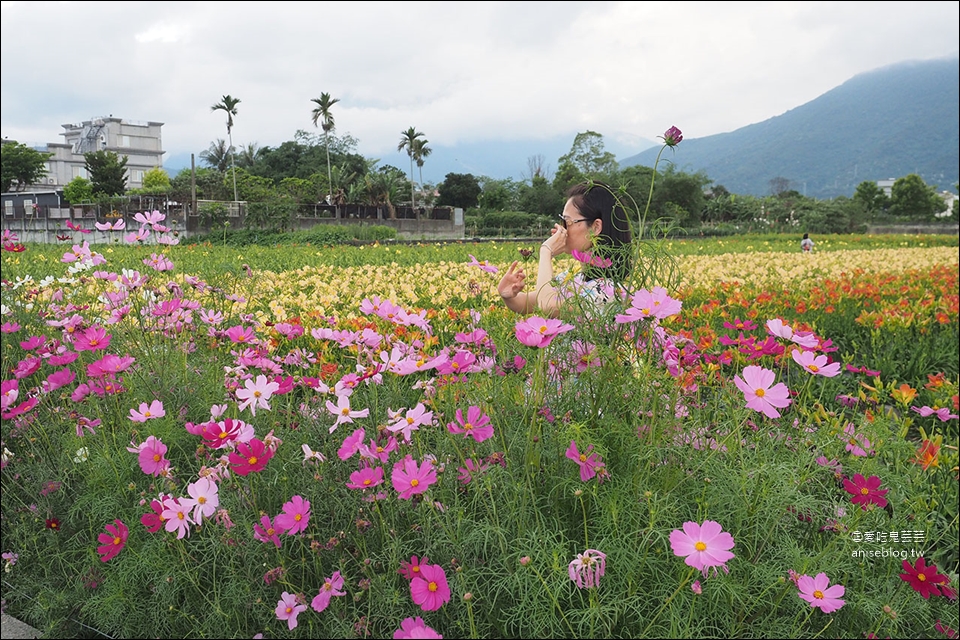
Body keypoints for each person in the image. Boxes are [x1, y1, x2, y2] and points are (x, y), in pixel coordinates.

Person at [497, 181, 632, 317]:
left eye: (566, 222)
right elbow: (527, 304)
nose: (560, 229)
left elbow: (548, 305)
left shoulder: (607, 290)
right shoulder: (573, 278)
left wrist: (545, 251)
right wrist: (509, 296)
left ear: (595, 227)